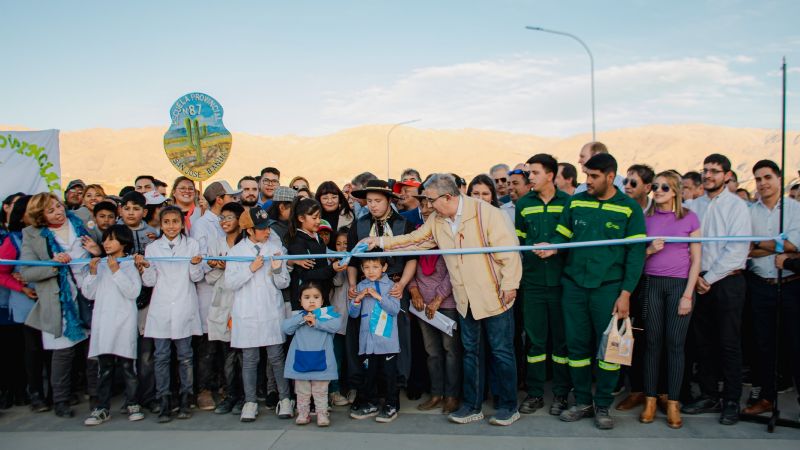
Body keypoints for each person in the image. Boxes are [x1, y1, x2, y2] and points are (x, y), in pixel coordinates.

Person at [365, 174, 522, 427]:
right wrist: (380, 242)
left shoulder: (487, 213)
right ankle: (472, 406)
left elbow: (509, 252)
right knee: (471, 353)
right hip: (465, 300)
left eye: (430, 200)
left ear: (447, 197)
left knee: (501, 352)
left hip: (495, 294)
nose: (426, 205)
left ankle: (508, 406)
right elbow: (415, 240)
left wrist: (510, 284)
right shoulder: (438, 220)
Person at [538, 153, 646, 430]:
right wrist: (552, 246)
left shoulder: (629, 208)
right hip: (573, 286)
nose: (588, 181)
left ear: (611, 176)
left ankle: (602, 406)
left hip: (608, 290)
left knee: (609, 351)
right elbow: (563, 234)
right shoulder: (576, 202)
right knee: (576, 347)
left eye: (594, 176)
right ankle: (583, 401)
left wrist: (625, 294)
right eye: (587, 175)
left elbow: (635, 256)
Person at [682, 153, 751, 425]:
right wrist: (697, 277)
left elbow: (737, 250)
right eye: (705, 170)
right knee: (704, 342)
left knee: (729, 342)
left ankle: (732, 399)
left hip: (726, 282)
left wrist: (708, 277)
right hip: (698, 282)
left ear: (727, 176)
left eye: (714, 171)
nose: (708, 175)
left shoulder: (737, 206)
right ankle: (709, 394)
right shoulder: (692, 205)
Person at [22, 193, 102, 418]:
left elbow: (106, 249)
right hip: (59, 301)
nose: (58, 211)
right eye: (50, 210)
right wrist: (53, 265)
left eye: (58, 206)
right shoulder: (32, 235)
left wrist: (98, 251)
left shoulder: (82, 222)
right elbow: (27, 271)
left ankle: (96, 397)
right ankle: (61, 400)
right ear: (40, 216)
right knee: (63, 353)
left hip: (89, 293)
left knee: (93, 351)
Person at [638, 171, 701, 429]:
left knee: (675, 345)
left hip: (679, 287)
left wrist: (688, 294)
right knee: (652, 343)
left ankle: (673, 402)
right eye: (655, 186)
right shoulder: (646, 219)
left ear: (675, 190)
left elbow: (697, 259)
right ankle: (650, 400)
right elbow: (636, 258)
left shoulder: (690, 218)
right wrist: (650, 250)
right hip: (652, 284)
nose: (658, 190)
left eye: (664, 187)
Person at [742, 160, 800, 416]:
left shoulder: (795, 209)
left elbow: (794, 246)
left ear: (778, 178)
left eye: (767, 177)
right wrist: (778, 243)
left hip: (790, 284)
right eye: (758, 179)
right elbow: (746, 249)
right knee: (762, 345)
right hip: (760, 285)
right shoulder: (750, 212)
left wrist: (764, 245)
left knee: (795, 344)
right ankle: (766, 397)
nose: (763, 183)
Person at [136, 206, 204, 423]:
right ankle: (163, 399)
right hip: (162, 308)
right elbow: (150, 281)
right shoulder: (153, 248)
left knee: (185, 356)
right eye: (167, 222)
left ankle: (185, 398)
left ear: (182, 224)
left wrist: (194, 265)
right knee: (161, 357)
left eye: (175, 221)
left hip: (184, 305)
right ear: (161, 224)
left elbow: (196, 277)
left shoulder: (192, 245)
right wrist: (144, 268)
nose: (171, 226)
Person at [224, 206, 292, 422]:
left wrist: (278, 269)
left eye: (267, 227)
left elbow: (284, 283)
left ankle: (285, 398)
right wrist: (250, 269)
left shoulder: (276, 246)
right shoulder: (236, 252)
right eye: (261, 229)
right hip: (247, 311)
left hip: (271, 309)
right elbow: (230, 282)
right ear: (249, 230)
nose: (267, 232)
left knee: (276, 357)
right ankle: (250, 401)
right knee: (250, 359)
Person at [515, 154, 571, 416]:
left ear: (550, 175)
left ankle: (561, 395)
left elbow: (572, 242)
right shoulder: (523, 204)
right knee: (535, 342)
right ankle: (535, 394)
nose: (530, 178)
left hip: (562, 284)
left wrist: (555, 250)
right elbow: (520, 242)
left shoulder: (570, 203)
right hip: (534, 283)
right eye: (529, 173)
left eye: (535, 173)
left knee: (561, 343)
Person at [82, 225, 144, 425]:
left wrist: (116, 271)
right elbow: (89, 294)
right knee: (105, 368)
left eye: (112, 239)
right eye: (105, 239)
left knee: (128, 366)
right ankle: (102, 408)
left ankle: (133, 403)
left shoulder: (129, 264)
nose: (106, 243)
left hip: (124, 322)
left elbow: (133, 292)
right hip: (104, 323)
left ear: (124, 242)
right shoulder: (98, 265)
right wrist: (92, 273)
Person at [408, 193, 461, 415]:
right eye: (423, 204)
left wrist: (439, 298)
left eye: (431, 203)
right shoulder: (417, 234)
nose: (427, 207)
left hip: (445, 303)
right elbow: (407, 263)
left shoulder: (448, 232)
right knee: (432, 352)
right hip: (422, 304)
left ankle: (452, 395)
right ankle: (436, 393)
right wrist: (413, 290)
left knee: (451, 351)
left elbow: (454, 269)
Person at [191, 181, 240, 411]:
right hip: (210, 292)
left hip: (231, 291)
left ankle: (226, 387)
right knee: (209, 345)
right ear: (220, 199)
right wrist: (215, 264)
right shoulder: (202, 225)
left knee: (228, 346)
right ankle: (204, 390)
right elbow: (200, 260)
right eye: (231, 196)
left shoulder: (233, 225)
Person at [0, 195, 49, 413]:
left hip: (50, 298)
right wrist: (22, 287)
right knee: (33, 349)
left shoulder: (50, 235)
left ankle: (54, 394)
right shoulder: (14, 240)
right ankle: (35, 393)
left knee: (52, 349)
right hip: (27, 303)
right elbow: (2, 271)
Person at [616, 163, 655, 411]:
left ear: (647, 188)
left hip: (650, 280)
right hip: (625, 279)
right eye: (625, 182)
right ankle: (631, 387)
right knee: (623, 334)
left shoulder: (655, 213)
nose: (627, 187)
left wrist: (647, 252)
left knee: (646, 337)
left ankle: (650, 390)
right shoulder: (621, 209)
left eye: (633, 183)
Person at [348, 253, 403, 423]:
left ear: (384, 268)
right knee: (369, 373)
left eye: (375, 267)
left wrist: (379, 297)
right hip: (368, 341)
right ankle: (371, 402)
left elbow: (394, 309)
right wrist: (357, 299)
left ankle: (391, 404)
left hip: (387, 341)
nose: (370, 271)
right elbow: (353, 313)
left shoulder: (392, 286)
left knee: (389, 375)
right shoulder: (360, 286)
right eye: (366, 267)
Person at [119, 191, 159, 414]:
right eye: (127, 208)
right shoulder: (113, 234)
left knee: (146, 353)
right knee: (125, 352)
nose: (131, 212)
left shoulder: (152, 235)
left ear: (144, 212)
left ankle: (148, 396)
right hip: (121, 299)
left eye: (136, 208)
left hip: (147, 298)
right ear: (120, 210)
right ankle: (130, 398)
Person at [282, 281, 343, 427]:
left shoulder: (328, 316)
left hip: (322, 362)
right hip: (301, 361)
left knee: (321, 390)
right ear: (300, 300)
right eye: (307, 297)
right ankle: (303, 413)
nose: (311, 300)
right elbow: (286, 328)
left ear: (322, 300)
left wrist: (316, 322)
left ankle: (322, 414)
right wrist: (302, 319)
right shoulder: (297, 316)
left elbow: (336, 326)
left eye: (316, 297)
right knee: (302, 391)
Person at [205, 202, 245, 415]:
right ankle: (231, 395)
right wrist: (216, 266)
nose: (225, 221)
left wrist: (227, 266)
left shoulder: (246, 243)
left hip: (241, 301)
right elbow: (209, 277)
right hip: (222, 300)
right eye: (222, 218)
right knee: (227, 354)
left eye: (230, 217)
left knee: (244, 354)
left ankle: (246, 396)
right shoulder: (216, 243)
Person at [285, 198, 344, 310]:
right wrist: (332, 268)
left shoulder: (318, 238)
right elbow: (306, 275)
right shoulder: (297, 242)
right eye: (314, 217)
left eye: (319, 217)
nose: (318, 221)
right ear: (301, 218)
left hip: (321, 296)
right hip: (307, 303)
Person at [329, 228, 352, 407]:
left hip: (353, 317)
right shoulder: (332, 263)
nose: (343, 247)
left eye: (346, 244)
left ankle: (353, 387)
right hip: (337, 317)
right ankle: (334, 390)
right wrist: (336, 265)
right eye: (339, 244)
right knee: (336, 356)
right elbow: (337, 282)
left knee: (353, 356)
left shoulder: (357, 262)